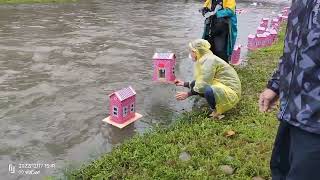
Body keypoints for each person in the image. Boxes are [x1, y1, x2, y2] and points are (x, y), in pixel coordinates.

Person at [258, 1, 320, 179]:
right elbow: (296, 42)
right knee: (280, 170)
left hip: (315, 126)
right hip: (293, 112)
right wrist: (276, 84)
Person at [175, 39, 241, 117]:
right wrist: (183, 84)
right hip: (222, 85)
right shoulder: (205, 58)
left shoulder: (209, 61)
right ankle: (213, 101)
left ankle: (216, 111)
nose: (190, 54)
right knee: (197, 84)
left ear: (196, 52)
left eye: (191, 51)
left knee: (208, 90)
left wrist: (188, 94)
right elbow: (200, 80)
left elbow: (203, 83)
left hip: (231, 92)